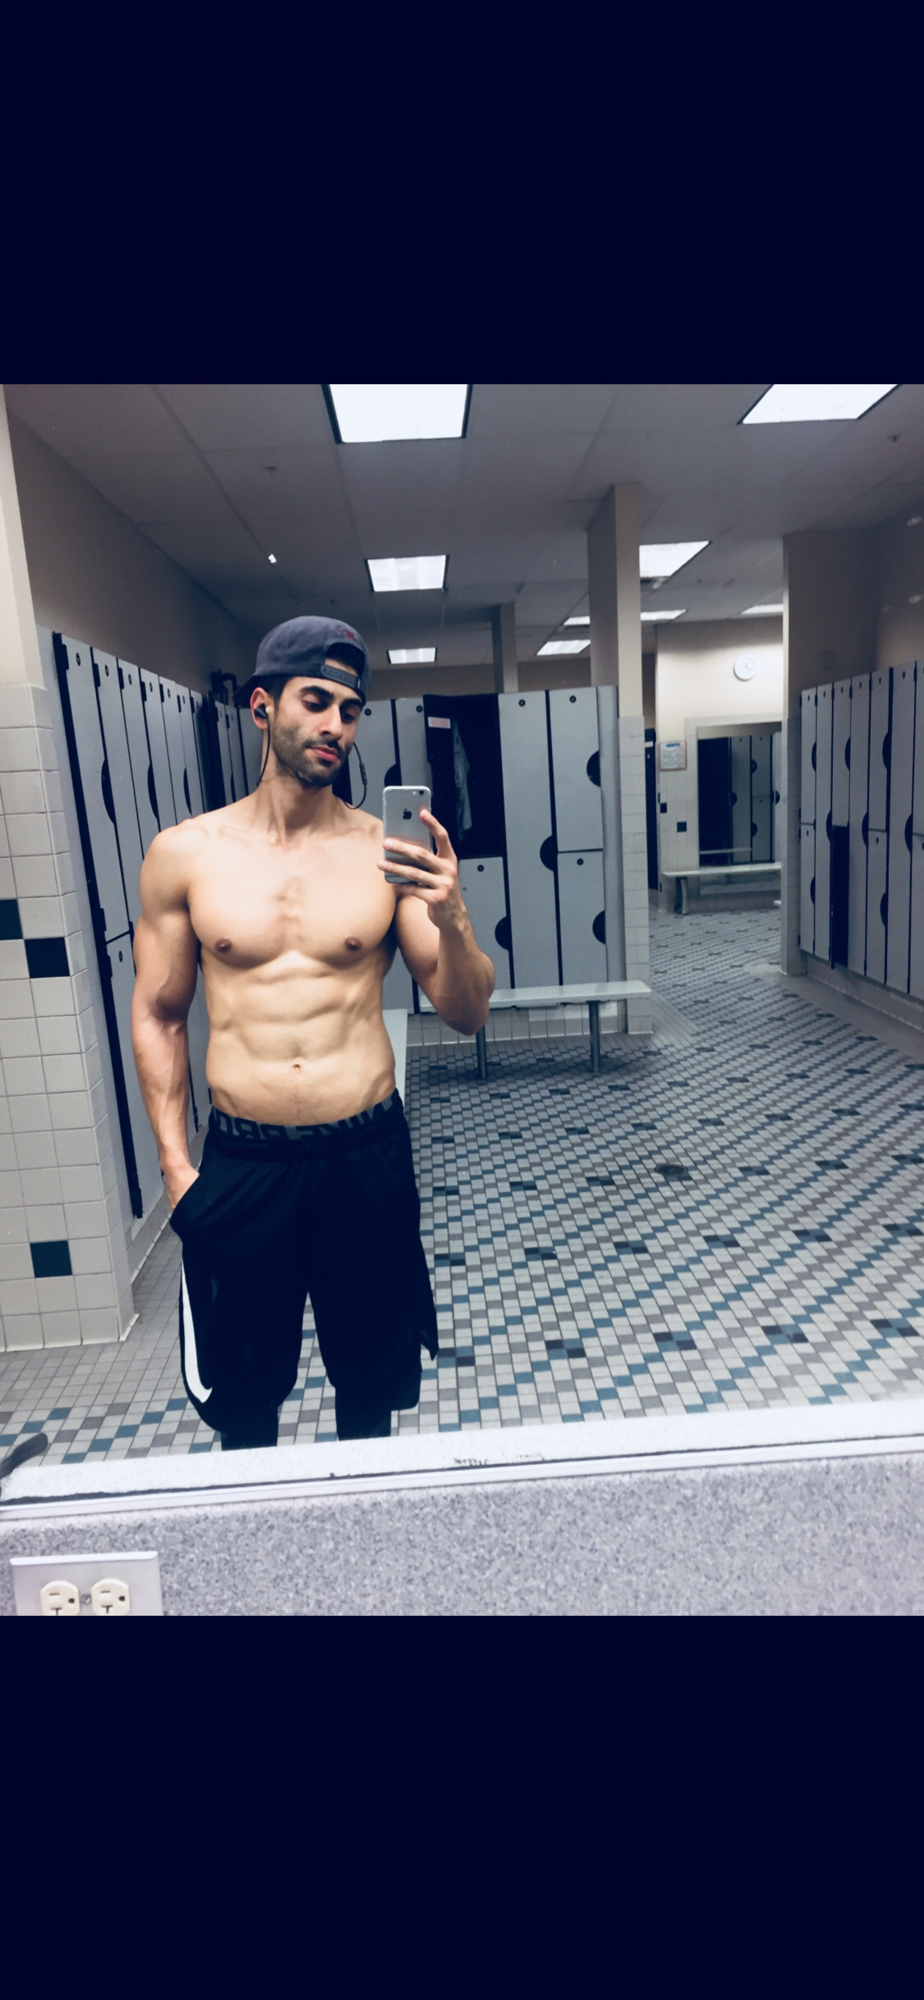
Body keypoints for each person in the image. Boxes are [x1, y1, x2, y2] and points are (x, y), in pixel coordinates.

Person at [130, 616, 494, 1449]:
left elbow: (465, 1010)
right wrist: (177, 1168)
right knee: (242, 1399)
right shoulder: (185, 854)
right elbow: (158, 1012)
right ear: (262, 706)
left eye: (351, 710)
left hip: (363, 1155)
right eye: (317, 701)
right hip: (244, 1161)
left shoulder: (385, 852)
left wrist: (454, 917)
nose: (337, 724)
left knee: (371, 1390)